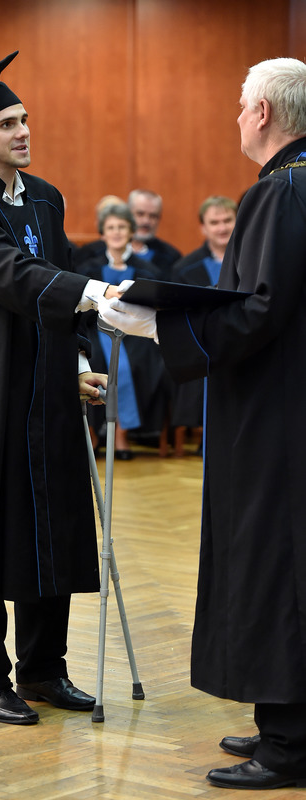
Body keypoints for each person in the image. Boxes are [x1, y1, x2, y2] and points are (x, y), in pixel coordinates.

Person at [98, 57, 306, 790]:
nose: (237, 117)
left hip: (275, 411)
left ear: (263, 113)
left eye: (241, 105)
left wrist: (161, 326)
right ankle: (287, 719)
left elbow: (259, 309)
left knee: (273, 558)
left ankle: (287, 743)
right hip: (288, 400)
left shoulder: (280, 189)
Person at [0, 51, 122, 726]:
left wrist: (78, 363)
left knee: (54, 525)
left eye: (25, 119)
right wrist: (95, 293)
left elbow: (56, 282)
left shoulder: (45, 196)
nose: (22, 131)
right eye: (7, 123)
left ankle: (44, 670)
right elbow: (9, 275)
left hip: (46, 387)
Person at [80, 202, 169, 458]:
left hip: (135, 333)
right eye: (111, 227)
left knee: (140, 362)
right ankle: (94, 434)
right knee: (93, 359)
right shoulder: (88, 267)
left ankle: (122, 434)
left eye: (122, 227)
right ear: (103, 233)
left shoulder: (147, 270)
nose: (117, 232)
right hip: (96, 329)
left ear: (131, 231)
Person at [170, 196, 237, 439]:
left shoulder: (253, 260)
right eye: (214, 222)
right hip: (201, 340)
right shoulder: (184, 268)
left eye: (227, 220)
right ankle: (208, 432)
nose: (222, 228)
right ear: (203, 227)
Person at [127, 189, 182, 281]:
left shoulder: (171, 257)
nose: (146, 221)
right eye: (140, 214)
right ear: (127, 214)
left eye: (153, 216)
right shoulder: (104, 249)